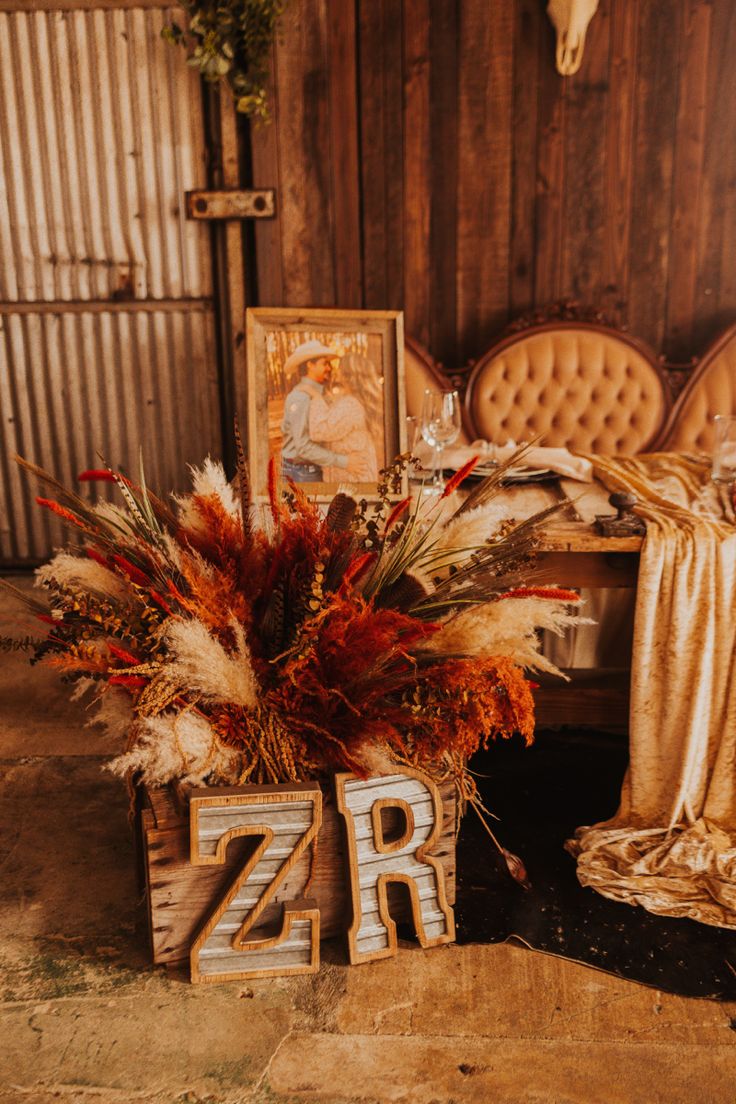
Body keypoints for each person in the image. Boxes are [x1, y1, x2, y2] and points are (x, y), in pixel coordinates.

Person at [280, 341, 349, 482]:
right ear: (310, 365)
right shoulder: (301, 397)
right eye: (325, 363)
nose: (329, 368)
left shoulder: (320, 394)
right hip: (301, 473)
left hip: (309, 469)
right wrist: (344, 461)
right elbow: (303, 447)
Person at [308, 353, 381, 483]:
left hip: (352, 482)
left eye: (341, 369)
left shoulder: (351, 405)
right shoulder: (355, 401)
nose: (337, 372)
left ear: (350, 375)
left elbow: (318, 431)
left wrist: (316, 398)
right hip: (358, 478)